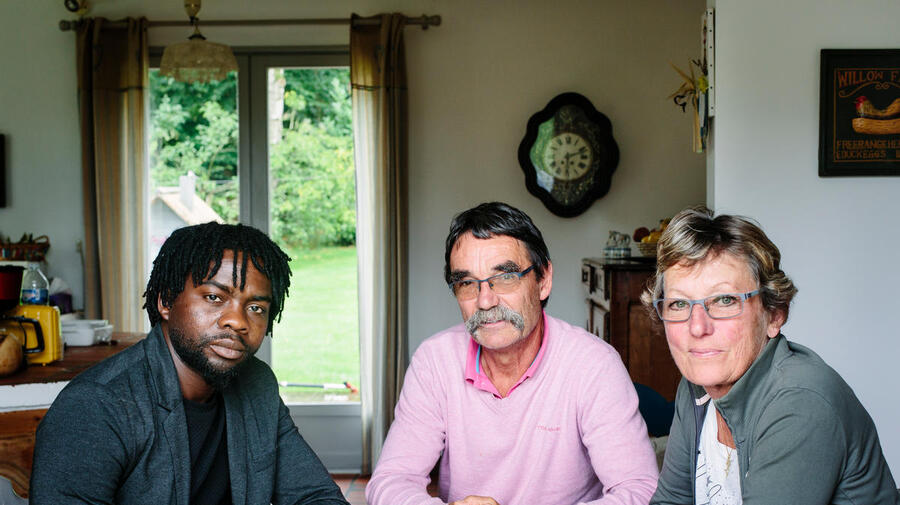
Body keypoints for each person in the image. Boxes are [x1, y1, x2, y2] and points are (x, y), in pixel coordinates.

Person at [30, 222, 349, 505]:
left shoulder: (258, 384)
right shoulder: (97, 407)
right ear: (166, 301)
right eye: (214, 297)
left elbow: (314, 494)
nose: (237, 321)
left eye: (255, 308)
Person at [367, 202, 659, 505]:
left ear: (543, 280)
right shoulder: (434, 361)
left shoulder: (593, 365)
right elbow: (390, 482)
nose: (485, 301)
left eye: (505, 277)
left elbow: (640, 490)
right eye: (467, 283)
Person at [644, 207, 899, 504]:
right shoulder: (697, 386)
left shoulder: (800, 401)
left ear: (775, 314)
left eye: (724, 300)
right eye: (678, 304)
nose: (697, 327)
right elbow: (670, 500)